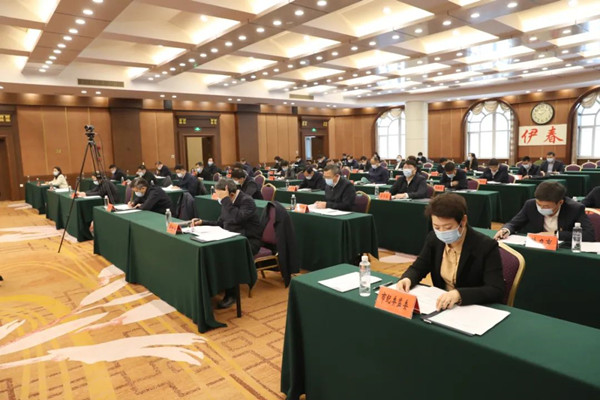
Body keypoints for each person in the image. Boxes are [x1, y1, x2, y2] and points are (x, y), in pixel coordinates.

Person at [396, 194, 504, 309]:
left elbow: (496, 290)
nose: (442, 232)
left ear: (463, 221)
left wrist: (459, 294)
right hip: (441, 305)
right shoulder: (434, 239)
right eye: (437, 227)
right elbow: (418, 268)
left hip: (472, 307)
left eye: (448, 227)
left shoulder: (485, 246)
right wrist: (408, 278)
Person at [191, 178, 263, 308]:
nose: (219, 199)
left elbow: (237, 218)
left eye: (221, 196)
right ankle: (218, 285)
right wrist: (203, 222)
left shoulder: (247, 201)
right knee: (212, 251)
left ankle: (232, 295)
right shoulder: (227, 203)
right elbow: (221, 222)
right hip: (230, 237)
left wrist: (225, 201)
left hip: (248, 240)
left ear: (231, 194)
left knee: (227, 255)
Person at [494, 181, 594, 242]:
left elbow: (589, 235)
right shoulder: (530, 204)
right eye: (539, 204)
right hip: (537, 246)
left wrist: (555, 234)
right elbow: (514, 223)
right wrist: (505, 230)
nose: (541, 208)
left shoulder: (575, 208)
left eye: (546, 206)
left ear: (560, 202)